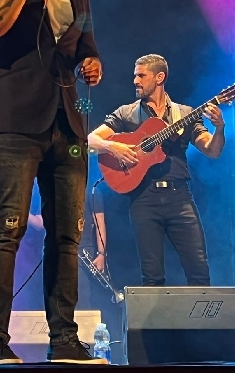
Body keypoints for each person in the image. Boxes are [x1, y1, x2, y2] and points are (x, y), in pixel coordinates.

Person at [0, 0, 104, 364]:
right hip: (13, 124)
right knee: (6, 230)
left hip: (67, 124)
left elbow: (86, 48)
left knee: (67, 235)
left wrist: (91, 64)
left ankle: (64, 337)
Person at [87, 54, 224, 286]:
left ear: (159, 77)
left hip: (180, 198)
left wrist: (219, 128)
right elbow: (90, 141)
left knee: (199, 269)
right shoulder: (126, 113)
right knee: (152, 277)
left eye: (141, 76)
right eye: (135, 76)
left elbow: (212, 150)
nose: (135, 81)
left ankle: (202, 312)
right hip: (143, 199)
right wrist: (113, 147)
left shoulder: (184, 113)